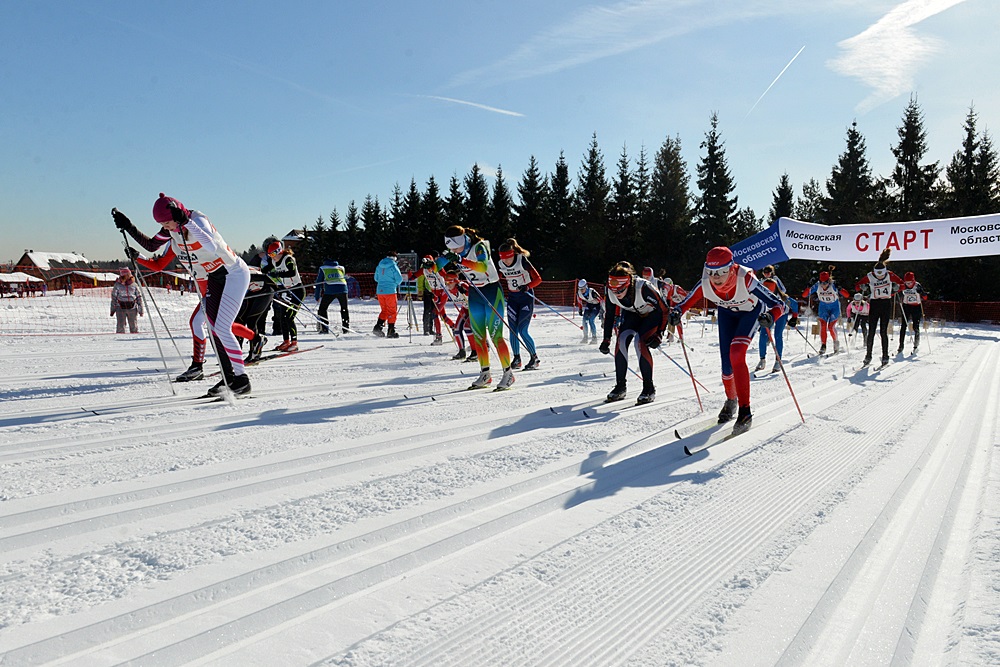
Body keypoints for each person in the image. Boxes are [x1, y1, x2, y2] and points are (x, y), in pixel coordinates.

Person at [113, 194, 252, 396]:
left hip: (233, 273)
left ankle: (242, 379)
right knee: (213, 328)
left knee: (221, 327)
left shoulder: (197, 220)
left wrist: (186, 222)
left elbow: (210, 245)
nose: (166, 228)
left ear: (178, 215)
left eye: (167, 223)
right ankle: (228, 377)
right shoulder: (174, 230)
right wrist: (129, 227)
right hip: (215, 276)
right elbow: (152, 245)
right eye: (163, 225)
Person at [671, 247, 784, 434]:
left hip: (750, 313)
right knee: (726, 367)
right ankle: (731, 400)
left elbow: (778, 304)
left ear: (732, 268)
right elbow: (684, 304)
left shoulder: (745, 279)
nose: (716, 277)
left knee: (737, 353)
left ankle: (745, 411)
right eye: (711, 272)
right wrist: (676, 312)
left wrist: (771, 316)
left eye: (722, 271)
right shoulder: (705, 283)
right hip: (727, 315)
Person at [440, 225, 515, 390]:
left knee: (496, 336)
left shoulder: (479, 246)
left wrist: (460, 260)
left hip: (491, 291)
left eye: (457, 248)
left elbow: (482, 266)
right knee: (479, 336)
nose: (456, 251)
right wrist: (430, 265)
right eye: (451, 249)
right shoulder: (456, 251)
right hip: (475, 292)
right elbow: (438, 264)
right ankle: (485, 374)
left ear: (465, 241)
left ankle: (508, 374)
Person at [125, 242, 209, 381]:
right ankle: (197, 367)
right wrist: (138, 257)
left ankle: (252, 342)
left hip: (221, 286)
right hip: (206, 292)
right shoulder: (174, 242)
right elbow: (159, 265)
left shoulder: (198, 235)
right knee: (205, 324)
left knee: (215, 326)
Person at [599, 261, 670, 405]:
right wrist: (606, 339)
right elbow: (610, 315)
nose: (617, 294)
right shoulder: (611, 289)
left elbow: (664, 310)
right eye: (614, 291)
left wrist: (659, 334)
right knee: (622, 340)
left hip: (652, 315)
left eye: (620, 290)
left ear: (629, 283)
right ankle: (620, 387)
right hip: (633, 314)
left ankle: (648, 388)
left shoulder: (644, 287)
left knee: (640, 342)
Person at [497, 239, 543, 370]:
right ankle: (517, 359)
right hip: (512, 299)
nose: (505, 261)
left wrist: (527, 286)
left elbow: (538, 279)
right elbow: (496, 278)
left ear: (512, 254)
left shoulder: (521, 260)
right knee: (512, 330)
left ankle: (534, 358)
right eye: (503, 259)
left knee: (522, 330)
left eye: (507, 258)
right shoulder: (500, 264)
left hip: (526, 298)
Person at [854, 248, 905, 368]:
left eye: (882, 275)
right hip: (875, 304)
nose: (880, 277)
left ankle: (885, 356)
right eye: (878, 275)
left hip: (886, 304)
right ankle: (868, 355)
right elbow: (857, 286)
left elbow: (902, 284)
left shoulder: (890, 275)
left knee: (883, 331)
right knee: (871, 330)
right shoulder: (870, 276)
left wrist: (895, 289)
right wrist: (863, 287)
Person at [264, 241, 304, 352]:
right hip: (287, 291)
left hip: (297, 290)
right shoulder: (274, 261)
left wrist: (277, 274)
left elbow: (291, 272)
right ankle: (286, 341)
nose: (272, 257)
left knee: (289, 317)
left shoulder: (288, 259)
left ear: (279, 252)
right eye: (270, 255)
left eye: (273, 254)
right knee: (282, 317)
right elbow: (266, 269)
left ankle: (294, 343)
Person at [802, 267, 850, 355]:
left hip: (834, 306)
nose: (823, 285)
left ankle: (836, 342)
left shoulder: (834, 285)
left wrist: (840, 289)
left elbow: (847, 295)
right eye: (822, 283)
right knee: (823, 325)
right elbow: (805, 295)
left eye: (826, 283)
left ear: (829, 281)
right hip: (823, 306)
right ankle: (823, 345)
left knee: (831, 327)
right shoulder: (817, 285)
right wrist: (808, 288)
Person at [755, 277, 796, 373]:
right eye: (765, 288)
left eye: (770, 289)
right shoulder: (761, 295)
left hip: (781, 314)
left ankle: (778, 361)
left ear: (775, 288)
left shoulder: (782, 297)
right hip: (768, 316)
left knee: (778, 335)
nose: (767, 291)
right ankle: (762, 359)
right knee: (763, 335)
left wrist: (794, 317)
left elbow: (794, 304)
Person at [441, 262, 472, 359]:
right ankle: (461, 351)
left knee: (469, 328)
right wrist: (436, 301)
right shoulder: (447, 289)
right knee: (457, 329)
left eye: (450, 282)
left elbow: (474, 295)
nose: (448, 284)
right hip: (464, 309)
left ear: (455, 280)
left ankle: (479, 348)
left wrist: (466, 292)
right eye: (446, 282)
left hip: (474, 308)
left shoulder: (463, 285)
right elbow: (441, 303)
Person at [417, 255, 448, 345]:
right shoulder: (424, 268)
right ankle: (427, 329)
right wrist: (420, 289)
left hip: (437, 292)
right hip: (428, 290)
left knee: (438, 312)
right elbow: (420, 278)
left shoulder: (436, 266)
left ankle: (436, 330)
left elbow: (444, 276)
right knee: (428, 310)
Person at [315, 259, 350, 334]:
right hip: (343, 289)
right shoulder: (341, 267)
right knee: (344, 309)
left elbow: (318, 283)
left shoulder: (323, 268)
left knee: (322, 309)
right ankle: (346, 328)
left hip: (330, 290)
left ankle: (324, 328)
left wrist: (317, 296)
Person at [373, 251, 403, 338]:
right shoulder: (393, 265)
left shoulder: (379, 265)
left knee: (384, 310)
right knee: (392, 311)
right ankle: (391, 330)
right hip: (390, 291)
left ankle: (378, 327)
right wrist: (394, 284)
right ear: (394, 258)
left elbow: (376, 278)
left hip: (380, 291)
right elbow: (399, 279)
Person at [897, 271, 928, 354]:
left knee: (915, 326)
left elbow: (925, 297)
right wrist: (897, 292)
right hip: (906, 306)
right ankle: (901, 345)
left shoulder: (917, 285)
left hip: (916, 307)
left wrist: (921, 293)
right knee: (903, 326)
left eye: (910, 282)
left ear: (913, 281)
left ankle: (916, 344)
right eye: (907, 282)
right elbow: (897, 293)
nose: (908, 284)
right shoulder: (903, 286)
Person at [110, 268, 143, 333]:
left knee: (133, 326)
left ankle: (134, 339)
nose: (128, 276)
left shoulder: (134, 285)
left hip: (132, 308)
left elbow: (139, 297)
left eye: (129, 274)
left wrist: (140, 309)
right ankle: (119, 339)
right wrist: (112, 310)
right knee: (120, 326)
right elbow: (114, 297)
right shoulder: (117, 285)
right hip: (120, 308)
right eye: (126, 275)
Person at [577, 278, 603, 344]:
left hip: (596, 306)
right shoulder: (579, 293)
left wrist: (603, 311)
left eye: (582, 289)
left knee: (591, 320)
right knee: (584, 320)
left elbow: (601, 301)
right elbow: (579, 300)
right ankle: (585, 338)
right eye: (580, 289)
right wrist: (580, 309)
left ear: (586, 286)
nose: (581, 290)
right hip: (589, 305)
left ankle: (594, 338)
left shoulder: (592, 292)